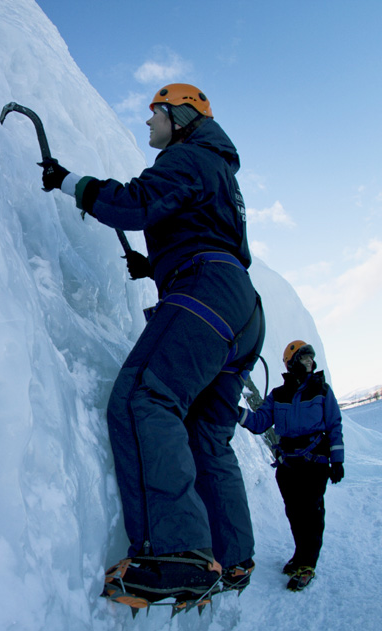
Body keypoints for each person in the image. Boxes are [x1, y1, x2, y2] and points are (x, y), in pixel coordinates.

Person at [40, 83, 265, 606]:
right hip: (241, 310)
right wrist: (156, 264)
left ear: (180, 116)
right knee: (207, 439)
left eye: (156, 113)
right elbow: (203, 227)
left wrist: (73, 183)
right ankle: (232, 561)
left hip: (205, 290)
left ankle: (176, 556)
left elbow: (137, 203)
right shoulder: (218, 170)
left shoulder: (189, 155)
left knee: (146, 396)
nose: (148, 124)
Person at [238, 340, 344, 591]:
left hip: (314, 463)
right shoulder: (278, 395)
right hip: (288, 467)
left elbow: (334, 425)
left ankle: (307, 564)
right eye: (304, 358)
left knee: (311, 513)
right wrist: (236, 412)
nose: (309, 362)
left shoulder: (322, 391)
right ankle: (300, 555)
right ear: (292, 362)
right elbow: (259, 422)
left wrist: (337, 461)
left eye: (310, 359)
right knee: (295, 513)